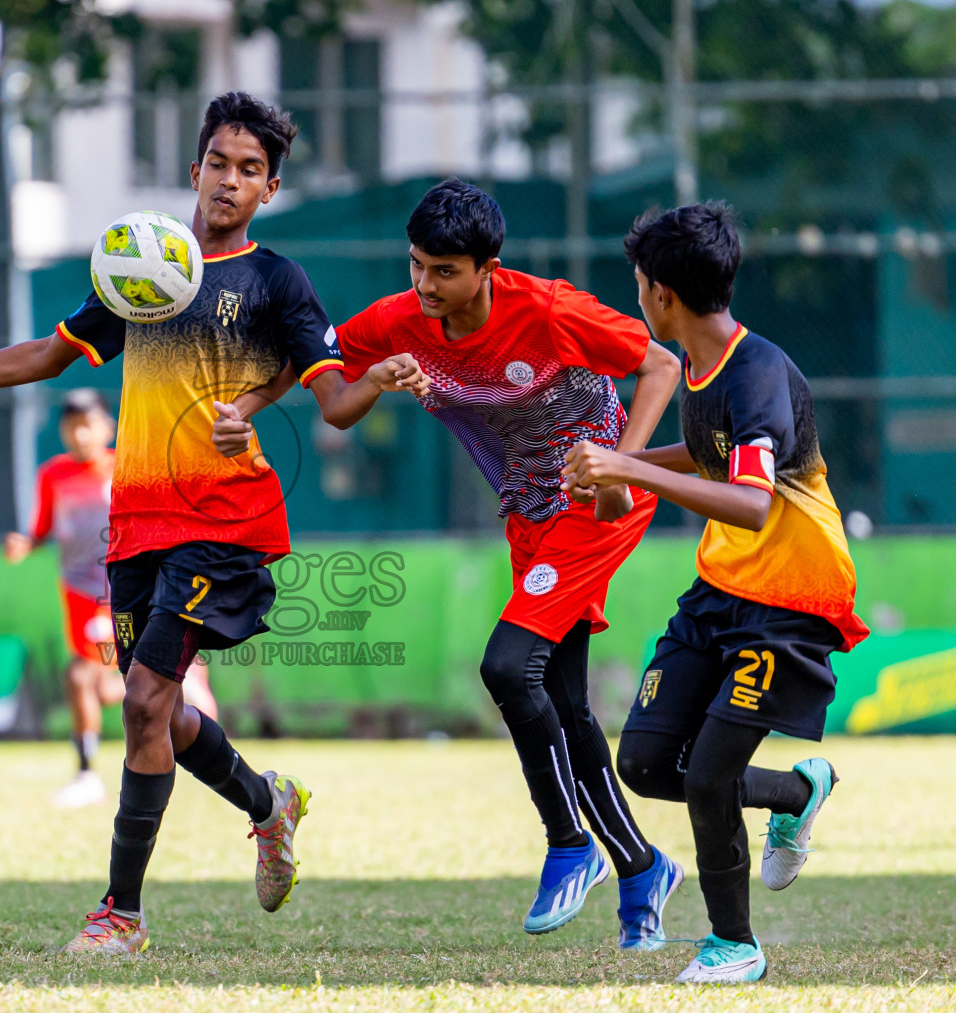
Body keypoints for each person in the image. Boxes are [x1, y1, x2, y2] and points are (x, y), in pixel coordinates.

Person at [0, 91, 428, 956]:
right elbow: (47, 355)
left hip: (227, 521)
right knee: (151, 712)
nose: (230, 182)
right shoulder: (144, 267)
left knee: (141, 698)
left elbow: (336, 404)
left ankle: (120, 915)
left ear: (270, 189)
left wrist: (381, 378)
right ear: (193, 167)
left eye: (251, 171)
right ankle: (266, 804)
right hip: (136, 525)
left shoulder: (278, 282)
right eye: (219, 164)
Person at [224, 178, 687, 948]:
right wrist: (253, 406)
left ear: (489, 268)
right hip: (531, 513)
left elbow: (661, 368)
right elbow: (325, 376)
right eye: (416, 266)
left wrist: (621, 468)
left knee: (508, 667)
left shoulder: (547, 309)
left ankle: (569, 846)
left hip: (595, 505)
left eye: (445, 271)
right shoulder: (401, 322)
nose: (425, 286)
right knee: (563, 702)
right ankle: (641, 866)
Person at [562, 201, 869, 983]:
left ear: (661, 292)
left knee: (706, 776)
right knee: (648, 761)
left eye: (638, 285)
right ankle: (797, 792)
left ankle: (735, 946)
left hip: (790, 602)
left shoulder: (758, 373)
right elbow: (708, 456)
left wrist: (630, 472)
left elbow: (753, 500)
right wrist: (618, 462)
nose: (637, 297)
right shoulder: (700, 364)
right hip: (721, 590)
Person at [5, 388, 219, 808]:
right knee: (106, 679)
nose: (80, 433)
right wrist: (26, 542)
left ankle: (196, 737)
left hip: (124, 590)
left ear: (107, 426)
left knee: (94, 676)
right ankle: (92, 771)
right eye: (71, 425)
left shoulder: (127, 464)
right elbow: (45, 525)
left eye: (88, 423)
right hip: (78, 593)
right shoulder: (53, 474)